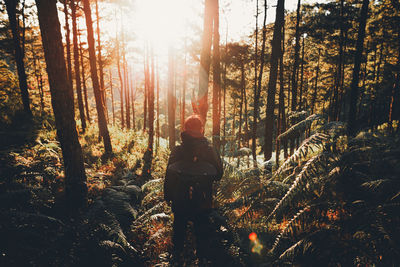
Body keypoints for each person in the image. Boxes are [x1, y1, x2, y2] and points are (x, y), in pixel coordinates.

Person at [164, 114, 223, 262]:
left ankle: (176, 259)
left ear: (185, 129)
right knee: (202, 234)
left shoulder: (177, 150)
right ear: (201, 130)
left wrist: (168, 195)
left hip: (179, 198)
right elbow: (218, 174)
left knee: (179, 232)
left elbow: (169, 175)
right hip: (203, 198)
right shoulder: (210, 150)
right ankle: (201, 259)